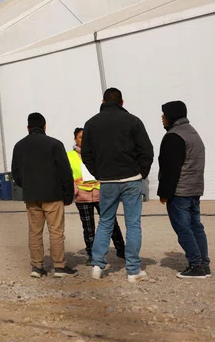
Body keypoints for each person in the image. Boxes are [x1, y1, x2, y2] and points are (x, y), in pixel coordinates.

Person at [81, 88, 154, 282]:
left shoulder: (91, 123)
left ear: (102, 101)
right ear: (122, 102)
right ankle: (133, 270)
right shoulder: (133, 121)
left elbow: (86, 154)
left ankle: (97, 265)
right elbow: (147, 151)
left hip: (107, 181)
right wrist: (141, 173)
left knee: (105, 221)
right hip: (131, 179)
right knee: (133, 224)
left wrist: (99, 173)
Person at [11, 112, 77, 279]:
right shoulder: (55, 144)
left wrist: (27, 186)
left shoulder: (19, 146)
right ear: (45, 126)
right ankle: (59, 266)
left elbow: (15, 173)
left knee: (35, 232)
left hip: (32, 196)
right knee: (56, 231)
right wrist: (68, 194)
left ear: (27, 127)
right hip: (53, 194)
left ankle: (37, 266)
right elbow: (65, 171)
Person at [157, 100, 211, 279]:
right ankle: (204, 264)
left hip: (179, 192)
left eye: (164, 114)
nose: (162, 117)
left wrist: (164, 193)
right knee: (196, 227)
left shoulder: (174, 136)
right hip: (194, 189)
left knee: (184, 229)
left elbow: (170, 169)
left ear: (171, 115)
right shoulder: (192, 133)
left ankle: (196, 266)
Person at [67, 127, 125, 265]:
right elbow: (67, 174)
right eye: (80, 137)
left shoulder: (98, 152)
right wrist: (74, 190)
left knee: (111, 222)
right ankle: (92, 254)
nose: (83, 140)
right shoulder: (69, 156)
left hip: (101, 193)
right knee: (88, 227)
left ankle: (121, 249)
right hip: (82, 195)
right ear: (75, 139)